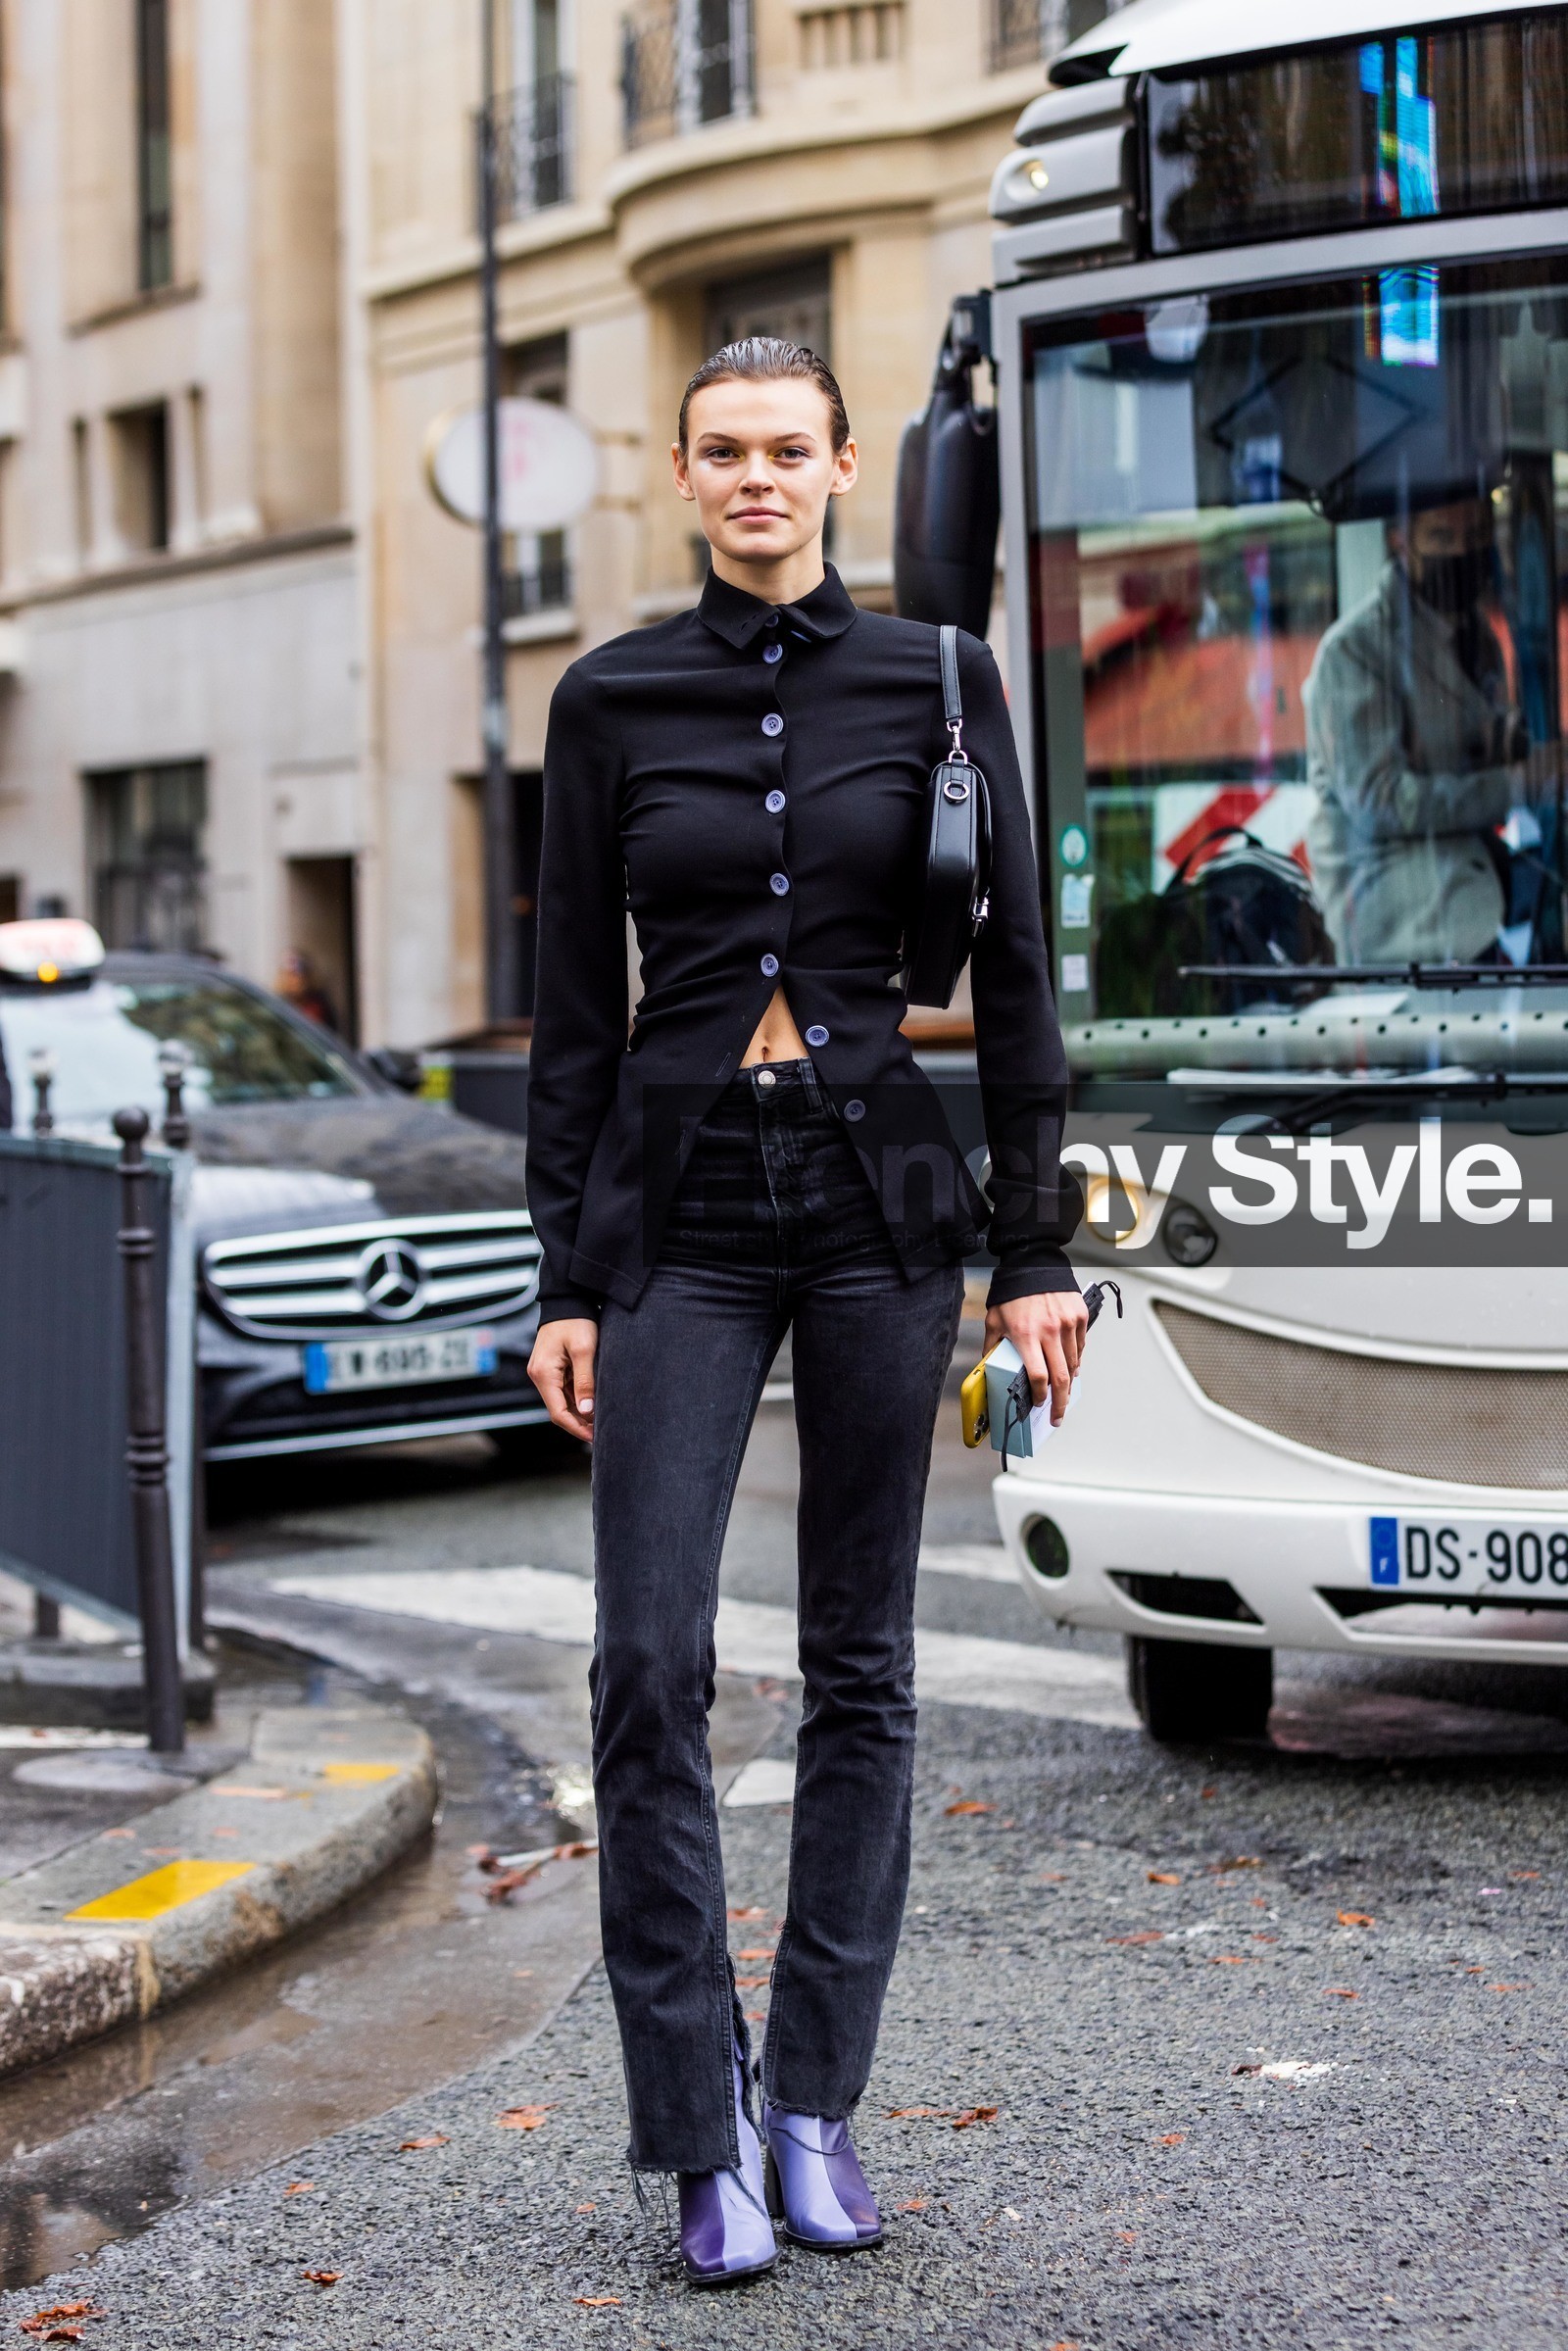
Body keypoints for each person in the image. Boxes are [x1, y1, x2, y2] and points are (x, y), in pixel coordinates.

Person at [525, 337, 1084, 2286]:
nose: (758, 475)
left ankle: (813, 2102)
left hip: (880, 1213)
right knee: (645, 1666)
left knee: (862, 1666)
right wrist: (561, 1278)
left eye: (789, 446)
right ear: (679, 475)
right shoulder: (602, 701)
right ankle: (695, 2130)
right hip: (673, 1218)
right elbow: (573, 1021)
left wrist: (1033, 1251)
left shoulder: (941, 675)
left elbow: (1015, 980)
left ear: (845, 461)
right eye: (722, 450)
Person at [1303, 492, 1558, 964]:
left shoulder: (1477, 637)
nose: (1462, 552)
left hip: (1473, 892)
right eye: (1442, 537)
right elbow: (1379, 802)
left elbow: (1472, 744)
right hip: (1400, 926)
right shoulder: (1354, 653)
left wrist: (1516, 745)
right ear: (1399, 540)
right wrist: (1517, 785)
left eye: (1477, 535)